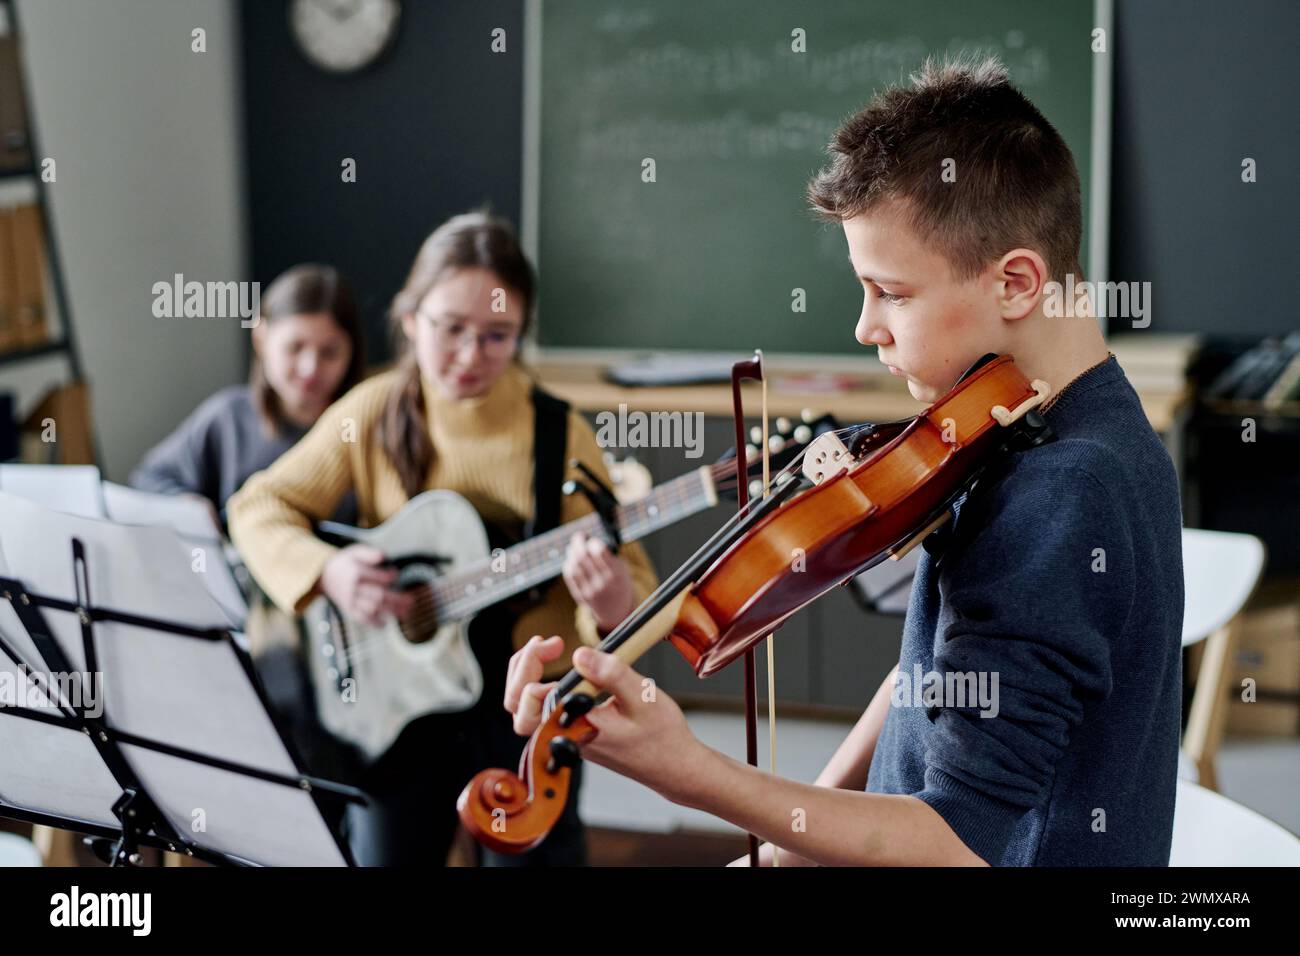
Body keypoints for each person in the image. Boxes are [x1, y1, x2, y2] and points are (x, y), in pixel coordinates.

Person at [501, 56, 1184, 867]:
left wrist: (692, 773)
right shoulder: (1044, 425)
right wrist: (780, 857)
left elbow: (956, 843)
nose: (865, 327)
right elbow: (921, 684)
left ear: (1016, 283)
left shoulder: (1067, 489)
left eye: (891, 292)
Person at [227, 211, 659, 866]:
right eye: (450, 328)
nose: (469, 355)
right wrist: (328, 573)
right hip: (399, 705)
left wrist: (611, 605)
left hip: (525, 711)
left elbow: (639, 591)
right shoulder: (373, 409)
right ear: (410, 319)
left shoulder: (558, 432)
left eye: (497, 335)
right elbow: (257, 505)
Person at [131, 263, 364, 525]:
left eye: (329, 352)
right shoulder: (228, 417)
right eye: (295, 347)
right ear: (261, 338)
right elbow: (148, 479)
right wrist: (187, 505)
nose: (310, 368)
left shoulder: (363, 428)